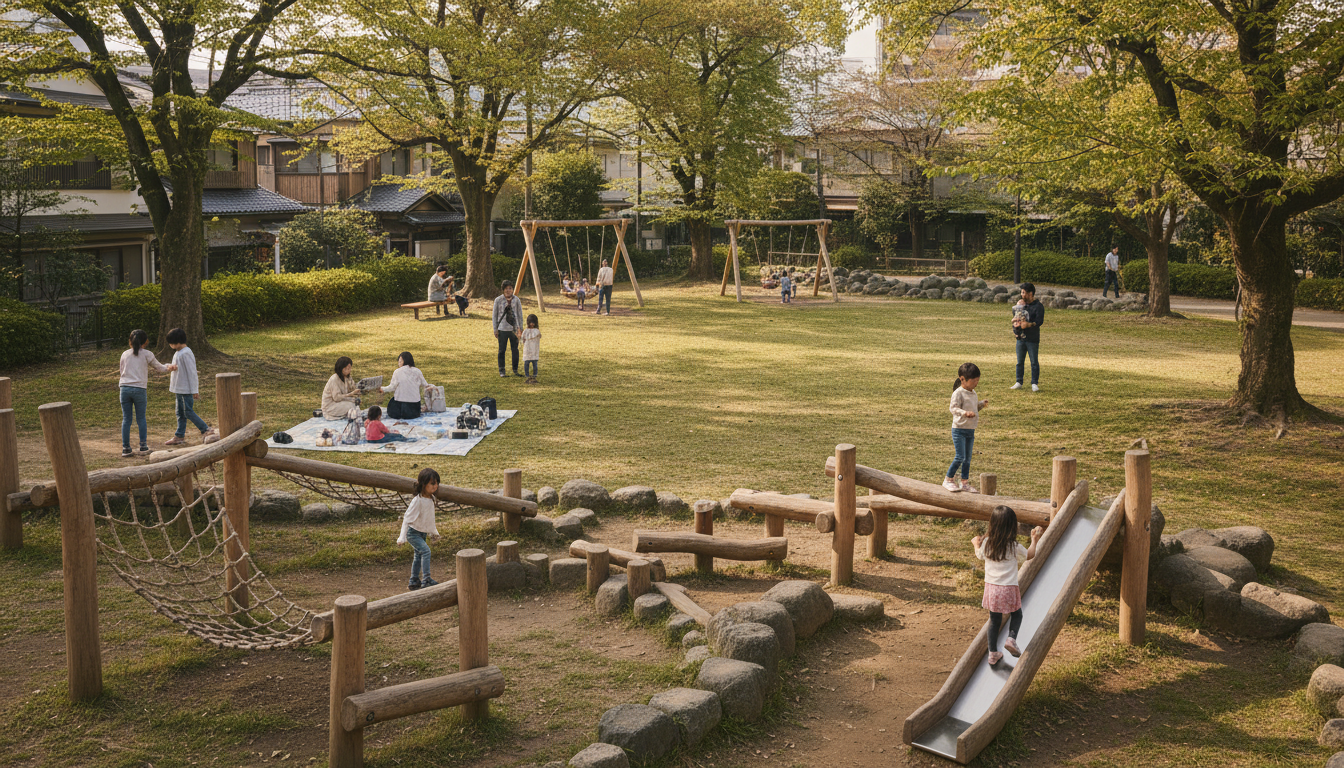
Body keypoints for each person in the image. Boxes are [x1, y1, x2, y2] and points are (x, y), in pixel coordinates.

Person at [973, 505, 1043, 665]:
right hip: (1008, 588)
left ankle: (992, 654)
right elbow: (1030, 555)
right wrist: (1034, 540)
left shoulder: (987, 543)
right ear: (1012, 526)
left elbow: (979, 555)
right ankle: (1011, 638)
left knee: (994, 620)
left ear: (992, 524)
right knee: (1016, 614)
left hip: (992, 589)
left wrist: (976, 544)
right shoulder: (1013, 546)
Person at [118, 329, 169, 458]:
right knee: (141, 418)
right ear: (145, 341)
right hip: (139, 389)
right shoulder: (147, 354)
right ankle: (143, 446)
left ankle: (126, 448)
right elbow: (160, 368)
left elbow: (121, 370)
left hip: (124, 388)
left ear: (130, 341)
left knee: (126, 419)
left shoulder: (125, 354)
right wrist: (171, 367)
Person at [163, 327, 218, 446]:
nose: (170, 345)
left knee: (187, 411)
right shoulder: (178, 352)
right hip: (179, 389)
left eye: (171, 343)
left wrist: (194, 390)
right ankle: (179, 436)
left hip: (185, 389)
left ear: (177, 342)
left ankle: (205, 429)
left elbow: (192, 373)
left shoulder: (186, 353)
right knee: (180, 413)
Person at [944, 362, 988, 493]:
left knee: (967, 459)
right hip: (959, 430)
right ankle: (948, 480)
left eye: (977, 381)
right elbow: (953, 408)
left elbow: (973, 408)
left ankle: (964, 483)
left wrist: (981, 404)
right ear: (962, 379)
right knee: (960, 457)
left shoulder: (973, 393)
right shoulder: (958, 393)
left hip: (970, 430)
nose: (976, 384)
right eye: (974, 381)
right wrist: (964, 413)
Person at [396, 467, 442, 590]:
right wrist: (402, 537)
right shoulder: (417, 501)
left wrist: (434, 532)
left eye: (437, 483)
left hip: (422, 533)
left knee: (418, 555)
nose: (435, 486)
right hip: (413, 533)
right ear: (423, 484)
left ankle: (414, 580)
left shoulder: (432, 499)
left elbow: (429, 519)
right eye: (432, 483)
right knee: (426, 552)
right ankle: (426, 579)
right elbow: (407, 518)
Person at [1010, 283, 1044, 392]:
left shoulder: (1038, 306)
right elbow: (1016, 316)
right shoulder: (1021, 304)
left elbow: (1039, 321)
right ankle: (1019, 381)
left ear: (1030, 293)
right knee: (1019, 362)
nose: (1022, 294)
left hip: (1032, 339)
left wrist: (1028, 324)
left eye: (1023, 292)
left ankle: (1034, 383)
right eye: (1021, 292)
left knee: (1034, 362)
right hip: (1020, 338)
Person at [380, 351, 430, 419]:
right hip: (415, 410)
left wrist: (382, 389)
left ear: (404, 361)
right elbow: (426, 385)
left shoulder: (397, 372)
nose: (399, 364)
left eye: (400, 361)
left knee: (392, 403)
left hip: (401, 408)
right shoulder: (418, 371)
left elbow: (392, 387)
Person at [493, 280, 524, 377]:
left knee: (515, 350)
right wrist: (495, 329)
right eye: (506, 288)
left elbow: (520, 314)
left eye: (510, 288)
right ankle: (502, 371)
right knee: (502, 350)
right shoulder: (498, 300)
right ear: (503, 290)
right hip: (502, 329)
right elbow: (495, 316)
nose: (508, 290)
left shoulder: (516, 300)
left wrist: (520, 328)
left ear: (512, 289)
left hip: (514, 329)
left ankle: (515, 370)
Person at [521, 314, 541, 384]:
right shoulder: (526, 331)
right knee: (526, 363)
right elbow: (523, 338)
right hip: (527, 348)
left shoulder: (537, 331)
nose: (532, 324)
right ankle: (527, 374)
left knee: (534, 363)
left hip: (534, 349)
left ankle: (535, 374)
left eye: (533, 322)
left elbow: (538, 338)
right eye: (530, 322)